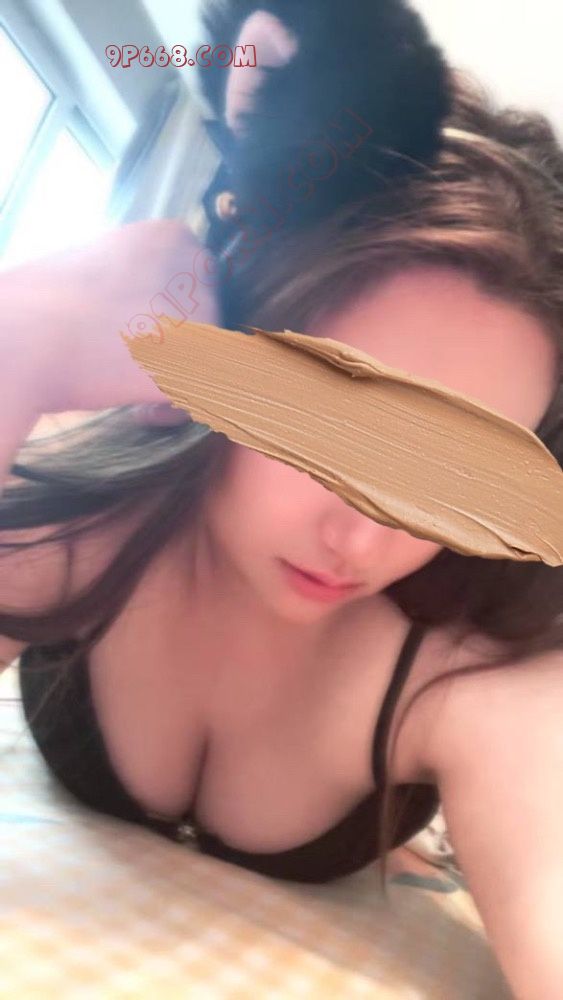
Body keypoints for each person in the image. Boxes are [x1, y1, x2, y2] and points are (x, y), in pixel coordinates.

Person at [0, 1, 561, 995]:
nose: (367, 535)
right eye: (330, 429)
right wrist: (20, 343)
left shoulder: (468, 677)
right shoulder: (82, 537)